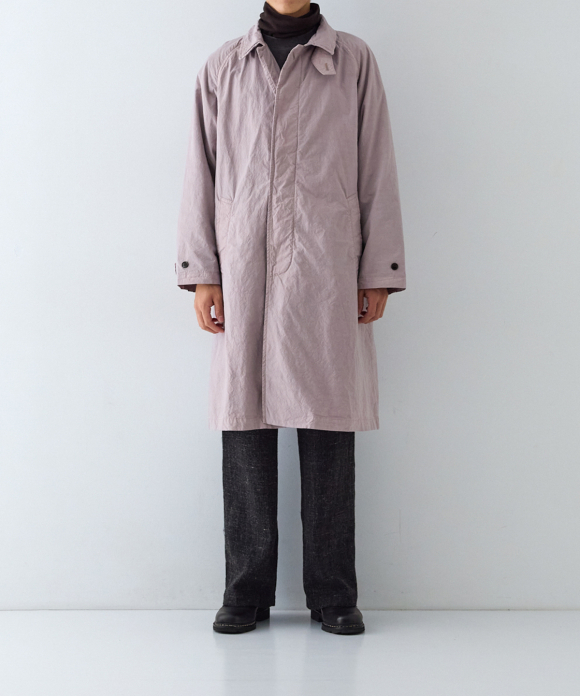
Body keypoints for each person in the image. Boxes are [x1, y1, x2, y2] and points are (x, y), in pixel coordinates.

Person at [176, 1, 406, 635]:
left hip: (325, 264)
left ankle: (333, 592)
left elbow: (376, 166)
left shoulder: (352, 61)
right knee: (245, 419)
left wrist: (378, 268)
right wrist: (202, 271)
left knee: (328, 421)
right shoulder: (224, 67)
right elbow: (199, 173)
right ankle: (244, 591)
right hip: (242, 265)